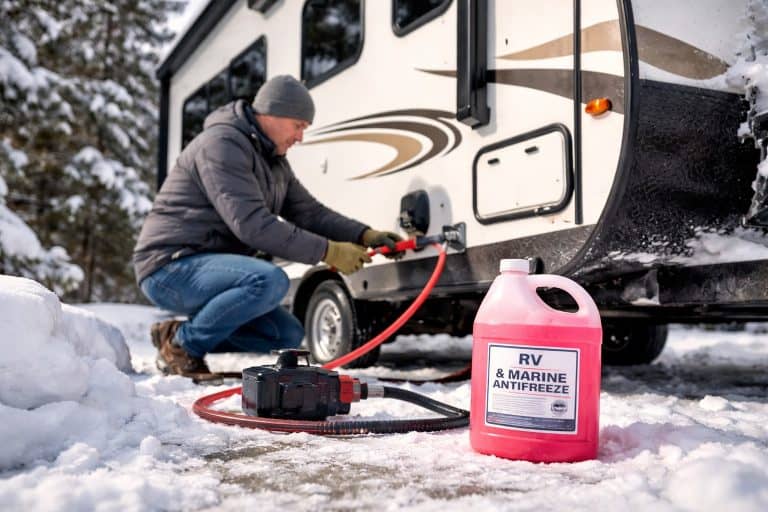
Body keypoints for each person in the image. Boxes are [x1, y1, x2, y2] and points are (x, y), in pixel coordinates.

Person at [133, 75, 401, 378]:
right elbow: (252, 225)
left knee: (285, 334)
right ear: (272, 114)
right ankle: (182, 347)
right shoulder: (221, 144)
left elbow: (309, 213)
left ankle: (179, 335)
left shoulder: (273, 159)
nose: (300, 137)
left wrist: (364, 234)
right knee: (268, 280)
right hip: (169, 267)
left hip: (207, 268)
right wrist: (328, 251)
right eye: (298, 125)